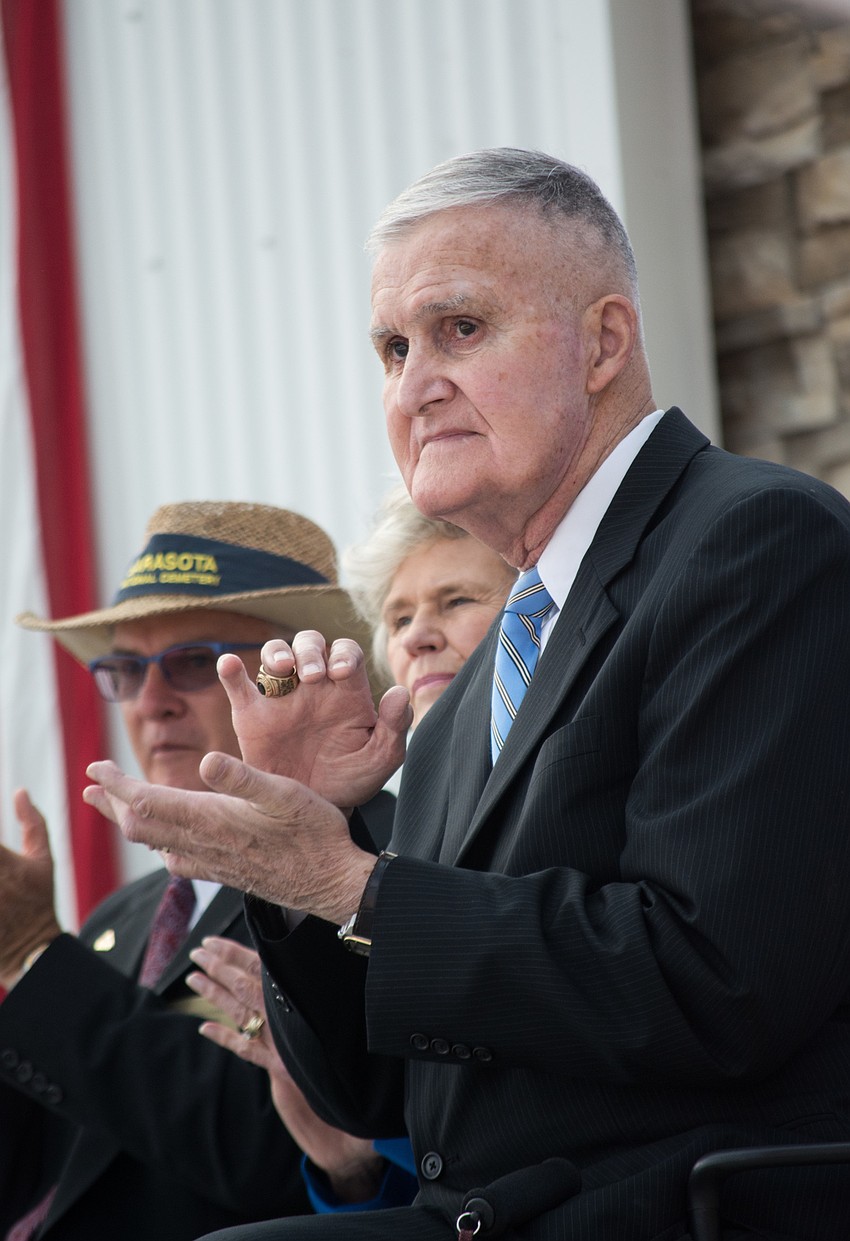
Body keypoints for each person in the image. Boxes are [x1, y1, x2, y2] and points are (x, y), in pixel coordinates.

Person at [85, 149, 850, 1241]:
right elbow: (377, 1094)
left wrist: (351, 883)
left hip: (682, 1200)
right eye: (392, 348)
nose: (411, 386)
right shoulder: (475, 683)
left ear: (603, 341)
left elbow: (714, 978)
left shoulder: (753, 540)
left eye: (460, 329)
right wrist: (300, 850)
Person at [1, 500, 394, 1240]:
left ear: (295, 674)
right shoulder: (127, 911)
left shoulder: (375, 859)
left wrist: (31, 952)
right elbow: (46, 1166)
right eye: (123, 668)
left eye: (190, 664)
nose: (150, 704)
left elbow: (275, 1156)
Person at [186, 492, 516, 1213]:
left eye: (456, 599)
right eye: (398, 618)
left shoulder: (556, 795)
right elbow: (374, 1108)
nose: (419, 634)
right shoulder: (396, 834)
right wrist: (354, 1171)